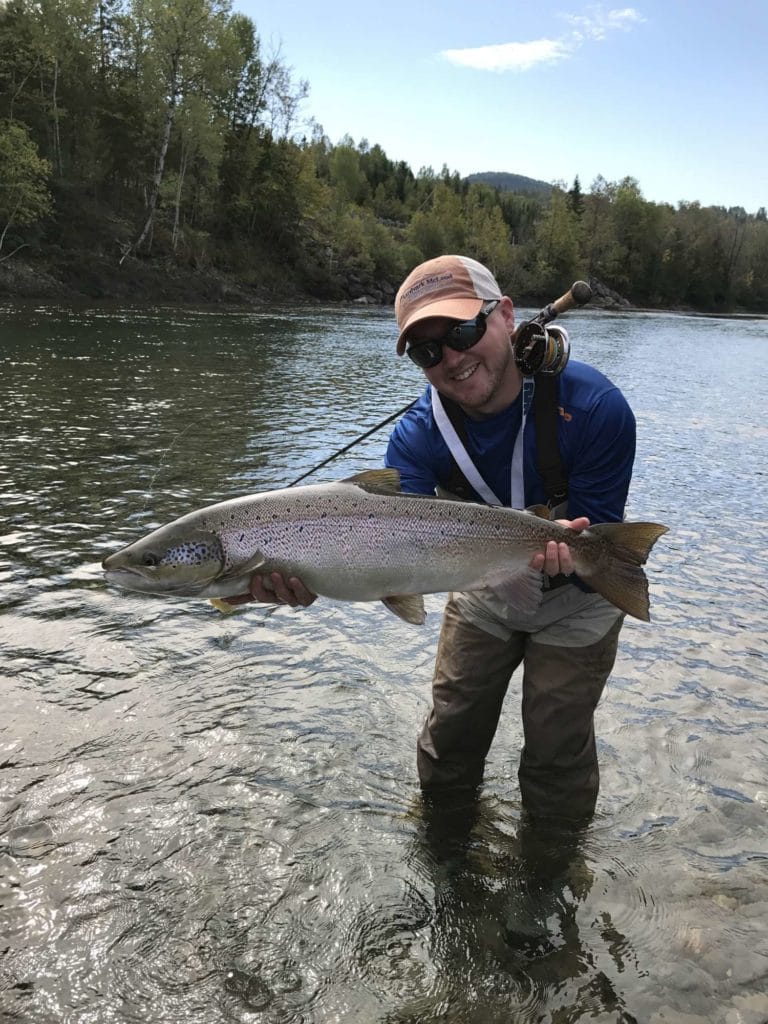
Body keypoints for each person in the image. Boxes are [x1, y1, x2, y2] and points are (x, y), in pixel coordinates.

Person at [234, 254, 636, 823]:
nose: (451, 358)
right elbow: (389, 543)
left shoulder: (596, 409)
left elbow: (598, 527)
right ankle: (444, 852)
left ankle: (551, 868)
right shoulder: (418, 438)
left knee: (556, 751)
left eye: (463, 331)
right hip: (479, 589)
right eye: (428, 351)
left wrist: (577, 550)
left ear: (504, 315)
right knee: (450, 739)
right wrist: (310, 573)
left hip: (579, 602)